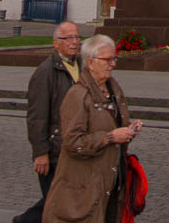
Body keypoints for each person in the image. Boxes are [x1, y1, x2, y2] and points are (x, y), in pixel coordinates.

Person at [42, 34, 142, 223]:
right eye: (108, 59)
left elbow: (113, 124)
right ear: (91, 62)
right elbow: (72, 142)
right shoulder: (78, 95)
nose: (113, 64)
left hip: (110, 181)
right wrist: (110, 137)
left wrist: (128, 131)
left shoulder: (114, 89)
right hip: (85, 186)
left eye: (114, 58)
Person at [13, 21, 83, 223]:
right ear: (56, 43)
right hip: (54, 150)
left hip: (72, 146)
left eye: (77, 37)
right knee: (58, 199)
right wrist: (40, 152)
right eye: (68, 38)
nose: (74, 42)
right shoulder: (45, 72)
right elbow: (37, 115)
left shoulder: (81, 66)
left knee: (61, 198)